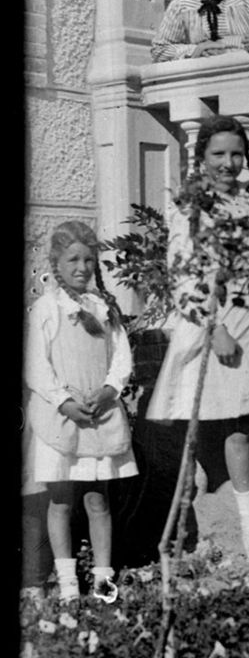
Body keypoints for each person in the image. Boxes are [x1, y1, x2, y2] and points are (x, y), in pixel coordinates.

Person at [145, 116, 249, 571]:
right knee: (237, 428)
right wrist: (214, 329)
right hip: (227, 324)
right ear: (202, 159)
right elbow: (184, 277)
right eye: (219, 154)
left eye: (236, 154)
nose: (229, 163)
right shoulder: (190, 209)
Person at [24, 221, 138, 603]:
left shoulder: (102, 307)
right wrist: (65, 403)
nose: (82, 267)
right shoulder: (47, 307)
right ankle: (69, 586)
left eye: (89, 259)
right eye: (73, 259)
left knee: (97, 500)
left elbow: (121, 356)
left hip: (99, 413)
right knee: (61, 502)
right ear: (56, 262)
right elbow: (36, 365)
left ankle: (105, 588)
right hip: (63, 416)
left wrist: (109, 390)